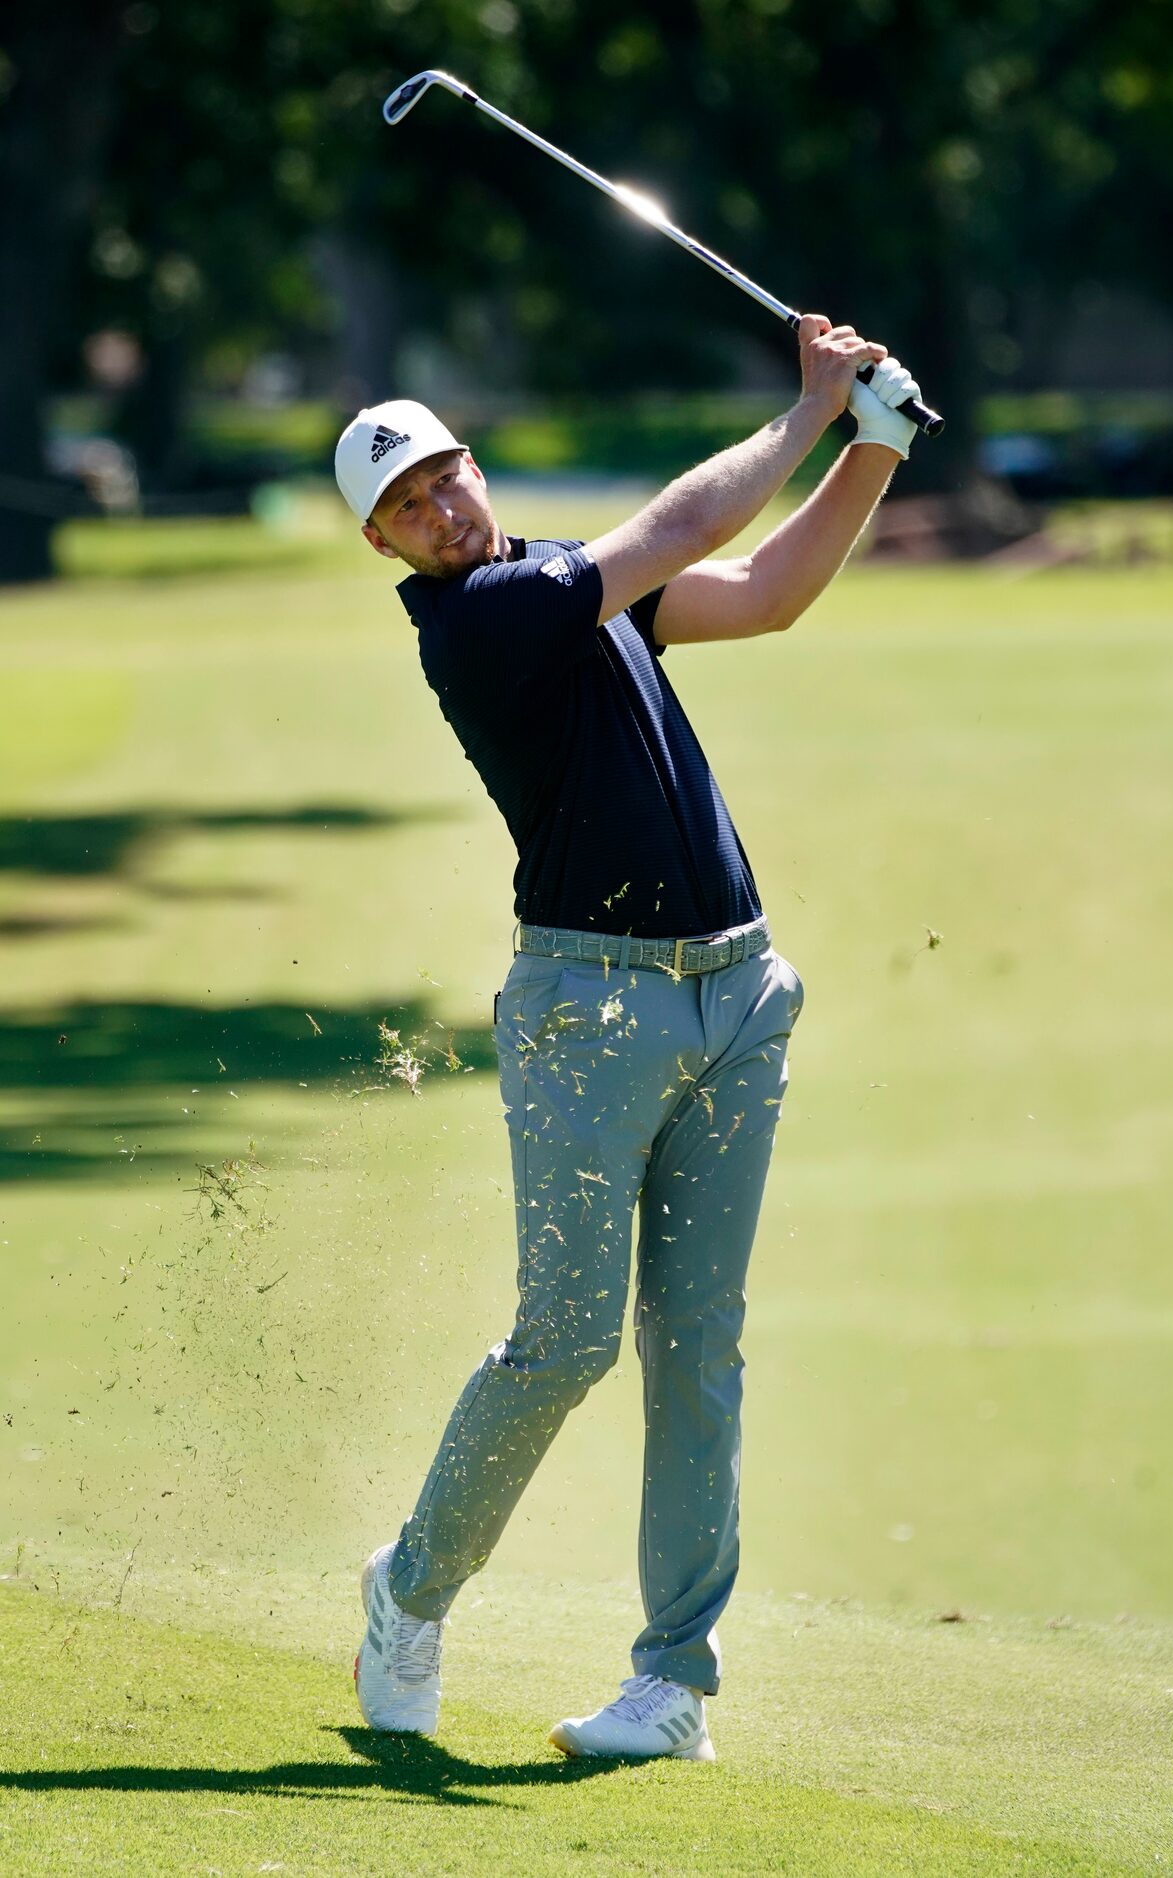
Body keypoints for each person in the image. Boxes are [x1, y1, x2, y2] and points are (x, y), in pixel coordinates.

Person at [333, 315, 920, 1763]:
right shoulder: (480, 623)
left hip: (737, 991)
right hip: (590, 1010)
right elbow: (681, 521)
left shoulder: (564, 589)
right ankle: (409, 1595)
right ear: (386, 546)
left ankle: (674, 1683)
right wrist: (808, 416)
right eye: (407, 505)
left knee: (699, 1349)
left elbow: (771, 592)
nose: (441, 508)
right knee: (565, 1341)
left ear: (474, 465)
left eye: (445, 475)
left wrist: (879, 448)